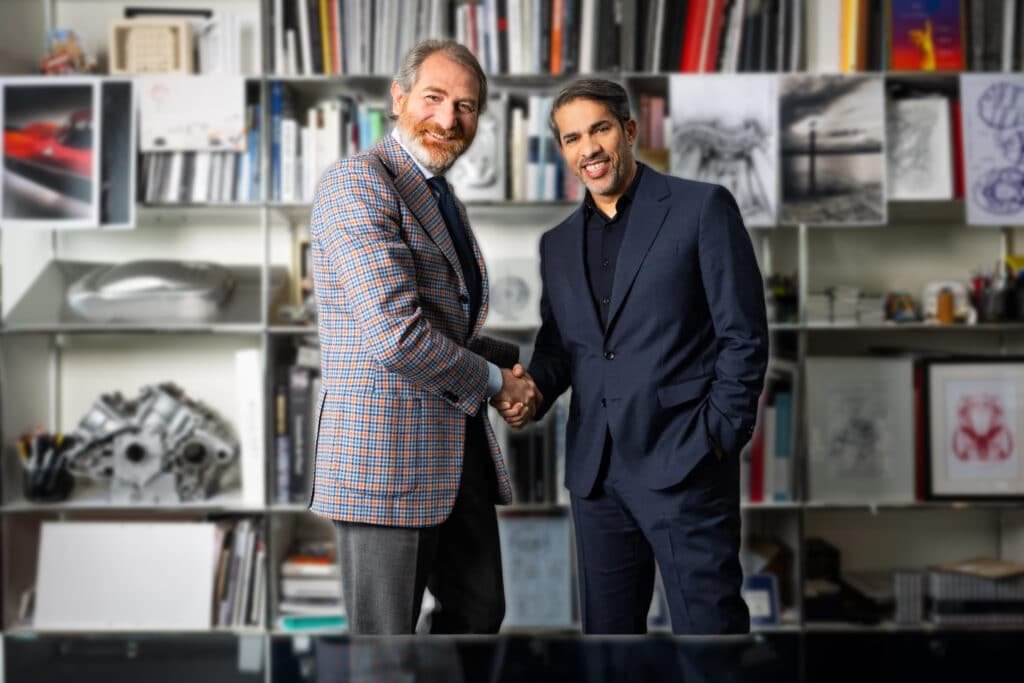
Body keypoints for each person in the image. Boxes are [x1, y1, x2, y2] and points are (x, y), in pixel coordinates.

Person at [497, 79, 768, 634]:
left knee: (710, 640)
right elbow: (561, 346)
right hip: (597, 477)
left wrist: (718, 435)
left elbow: (743, 335)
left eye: (599, 129)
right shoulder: (557, 244)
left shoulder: (701, 209)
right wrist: (532, 391)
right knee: (610, 648)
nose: (588, 149)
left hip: (686, 460)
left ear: (628, 130)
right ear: (564, 151)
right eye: (572, 138)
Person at [308, 39, 541, 635]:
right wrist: (496, 383)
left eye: (466, 107)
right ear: (400, 96)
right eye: (434, 98)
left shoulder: (442, 199)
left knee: (479, 614)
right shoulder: (357, 184)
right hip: (385, 458)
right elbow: (396, 334)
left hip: (453, 451)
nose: (448, 119)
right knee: (385, 647)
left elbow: (444, 325)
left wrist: (517, 372)